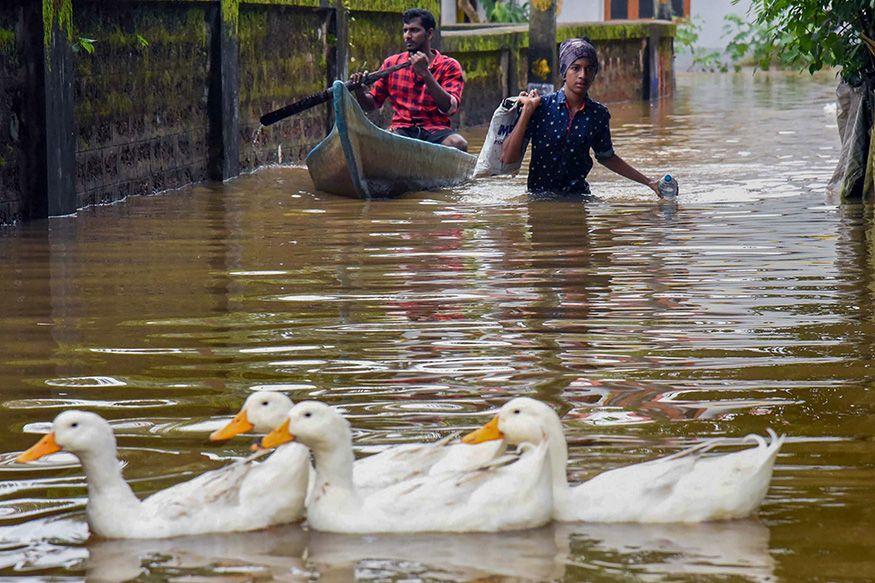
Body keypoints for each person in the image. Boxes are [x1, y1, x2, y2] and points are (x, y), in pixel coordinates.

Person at [500, 38, 663, 197]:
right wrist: (526, 112)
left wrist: (649, 182)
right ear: (564, 71)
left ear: (594, 73)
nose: (583, 75)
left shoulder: (598, 114)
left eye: (589, 68)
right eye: (576, 68)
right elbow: (508, 159)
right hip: (539, 200)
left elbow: (607, 157)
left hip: (578, 199)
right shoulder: (539, 107)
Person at [348, 8, 468, 152]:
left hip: (435, 130)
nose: (407, 36)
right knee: (376, 145)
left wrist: (425, 74)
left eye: (414, 30)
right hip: (401, 130)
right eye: (405, 31)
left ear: (429, 34)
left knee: (459, 144)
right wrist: (359, 90)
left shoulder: (449, 65)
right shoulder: (391, 64)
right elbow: (372, 104)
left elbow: (449, 108)